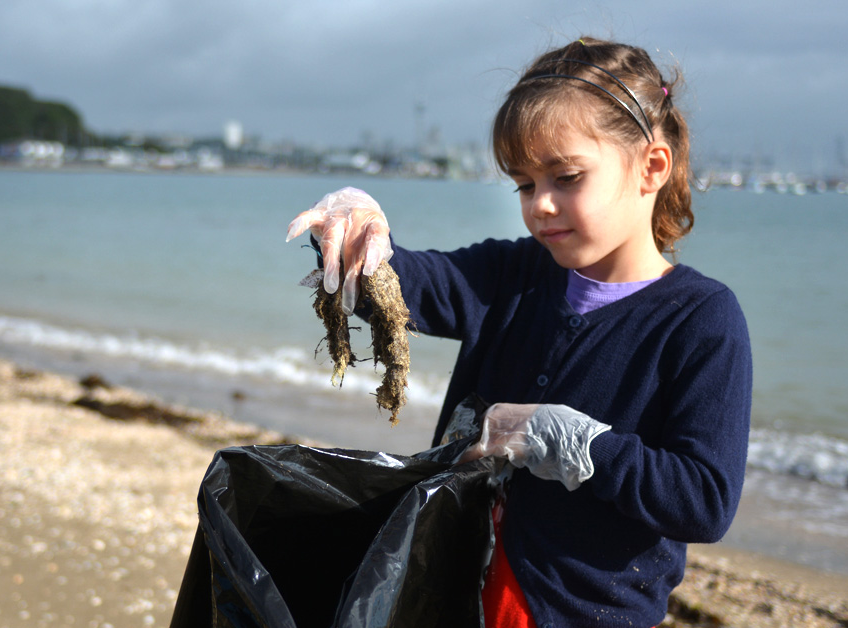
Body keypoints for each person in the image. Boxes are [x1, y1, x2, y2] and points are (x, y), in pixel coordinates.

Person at [286, 37, 752, 627]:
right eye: (525, 185)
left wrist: (569, 439)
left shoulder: (701, 319)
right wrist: (359, 233)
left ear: (652, 167)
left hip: (585, 611)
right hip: (454, 584)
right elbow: (412, 283)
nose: (541, 207)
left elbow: (704, 501)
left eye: (566, 177)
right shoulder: (514, 275)